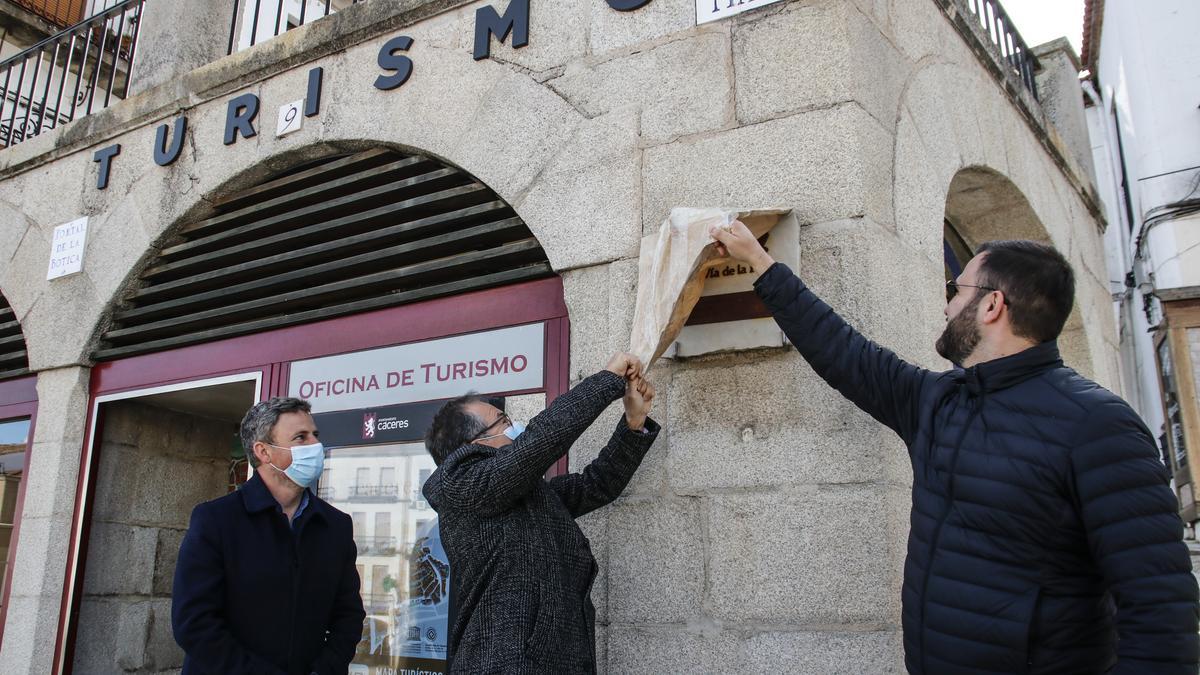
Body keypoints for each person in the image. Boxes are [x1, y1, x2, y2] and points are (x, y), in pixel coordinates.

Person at [710, 222, 1199, 674]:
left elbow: (1160, 611)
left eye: (955, 289)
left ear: (992, 305)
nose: (946, 305)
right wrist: (761, 263)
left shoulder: (1098, 426)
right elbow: (844, 353)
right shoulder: (939, 401)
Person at [422, 353, 658, 673]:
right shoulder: (462, 484)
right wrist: (607, 379)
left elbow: (595, 484)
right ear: (474, 443)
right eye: (504, 422)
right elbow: (538, 442)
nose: (515, 426)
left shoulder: (524, 496)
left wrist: (633, 424)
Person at [172, 397, 366, 675]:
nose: (315, 445)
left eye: (315, 435)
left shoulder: (335, 525)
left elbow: (348, 616)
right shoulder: (216, 520)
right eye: (301, 437)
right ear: (263, 451)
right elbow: (193, 624)